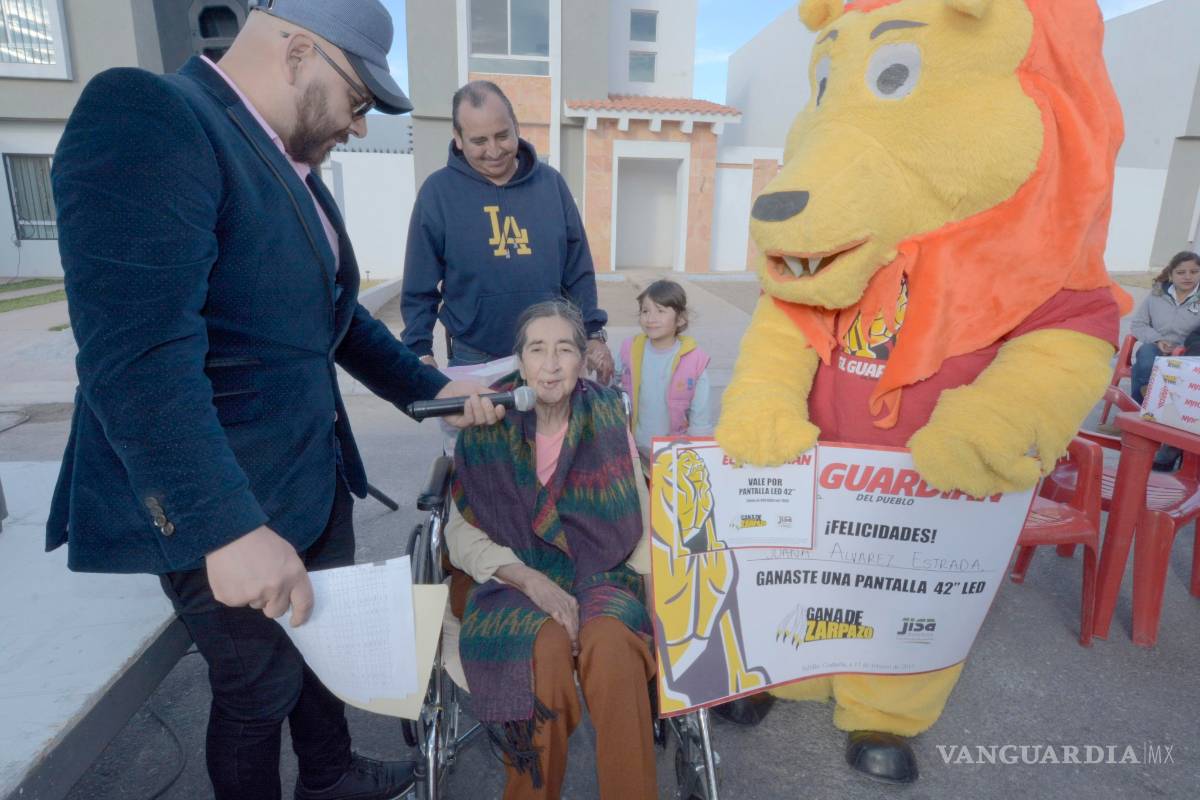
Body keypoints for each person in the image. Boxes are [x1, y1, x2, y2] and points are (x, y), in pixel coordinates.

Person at [47, 2, 503, 798]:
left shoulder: (287, 163)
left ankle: (329, 777)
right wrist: (225, 528)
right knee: (258, 690)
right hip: (225, 494)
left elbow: (337, 318)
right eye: (357, 100)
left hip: (308, 480)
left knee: (321, 652)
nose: (360, 125)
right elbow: (137, 356)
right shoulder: (152, 117)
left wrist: (435, 391)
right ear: (296, 54)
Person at [445, 300, 656, 800]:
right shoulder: (486, 420)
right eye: (538, 350)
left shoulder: (606, 414)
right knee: (542, 651)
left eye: (565, 349)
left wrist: (654, 604)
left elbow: (640, 515)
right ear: (520, 362)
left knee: (614, 646)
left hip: (601, 572)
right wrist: (531, 580)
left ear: (583, 359)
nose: (552, 364)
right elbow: (460, 534)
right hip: (513, 577)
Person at [400, 80, 614, 382]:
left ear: (516, 126)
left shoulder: (551, 185)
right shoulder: (437, 193)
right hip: (474, 357)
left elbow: (578, 270)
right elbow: (418, 286)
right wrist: (419, 351)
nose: (494, 150)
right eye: (479, 141)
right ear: (458, 138)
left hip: (550, 354)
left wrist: (593, 333)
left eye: (503, 135)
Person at [616, 279, 714, 466]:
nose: (650, 318)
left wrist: (698, 454)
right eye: (645, 311)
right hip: (633, 451)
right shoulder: (629, 349)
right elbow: (613, 387)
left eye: (660, 311)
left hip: (674, 455)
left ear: (680, 319)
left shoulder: (694, 361)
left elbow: (700, 418)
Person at [1129, 251, 1200, 404]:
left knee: (1139, 369)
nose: (1188, 277)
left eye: (1194, 272)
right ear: (1171, 274)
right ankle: (1143, 404)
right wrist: (1157, 339)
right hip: (1156, 347)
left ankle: (1152, 409)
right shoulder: (1157, 294)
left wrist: (1182, 348)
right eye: (1181, 272)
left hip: (1188, 354)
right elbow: (1138, 324)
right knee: (1146, 357)